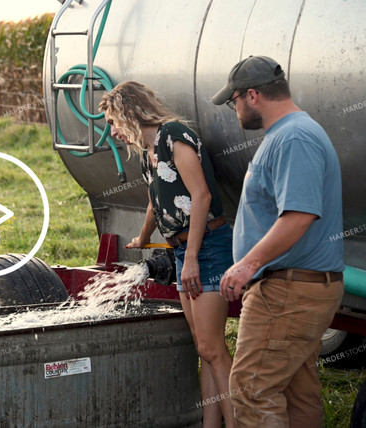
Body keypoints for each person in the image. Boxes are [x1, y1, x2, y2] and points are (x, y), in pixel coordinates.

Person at [213, 56, 345, 427]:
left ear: (252, 95)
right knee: (294, 393)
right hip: (296, 288)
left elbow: (299, 215)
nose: (234, 109)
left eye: (233, 100)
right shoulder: (291, 133)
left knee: (251, 389)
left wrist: (247, 264)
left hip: (288, 291)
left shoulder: (294, 137)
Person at [99, 81, 236, 428]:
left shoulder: (173, 136)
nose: (113, 132)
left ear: (129, 113)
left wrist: (190, 259)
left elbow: (202, 196)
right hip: (183, 251)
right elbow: (154, 198)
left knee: (214, 350)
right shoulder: (149, 152)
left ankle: (241, 423)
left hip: (207, 247)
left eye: (114, 122)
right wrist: (144, 236)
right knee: (205, 348)